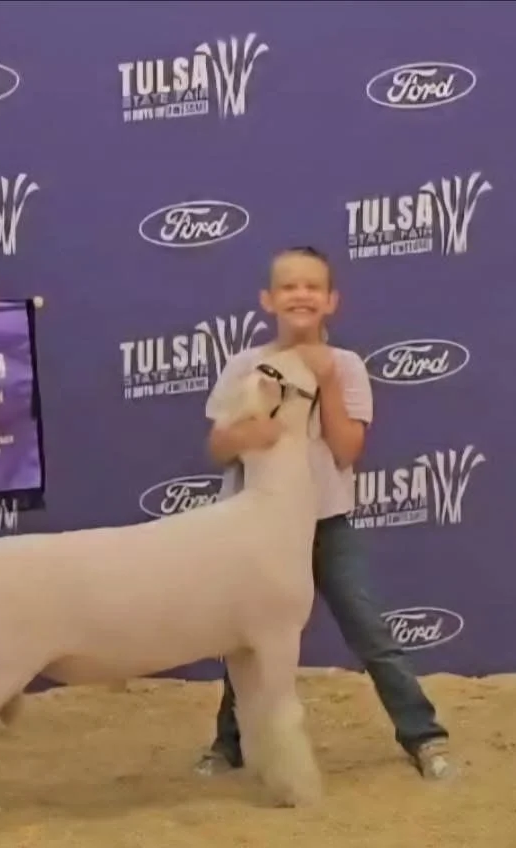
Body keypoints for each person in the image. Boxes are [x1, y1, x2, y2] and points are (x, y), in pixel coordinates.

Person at [194, 245, 454, 781]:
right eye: (288, 286)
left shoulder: (349, 366)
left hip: (325, 524)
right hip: (254, 533)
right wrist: (247, 433)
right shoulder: (244, 366)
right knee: (247, 640)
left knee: (370, 632)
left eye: (312, 286)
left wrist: (327, 379)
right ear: (268, 299)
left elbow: (347, 449)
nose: (300, 295)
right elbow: (219, 447)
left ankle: (423, 736)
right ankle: (229, 743)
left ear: (331, 301)